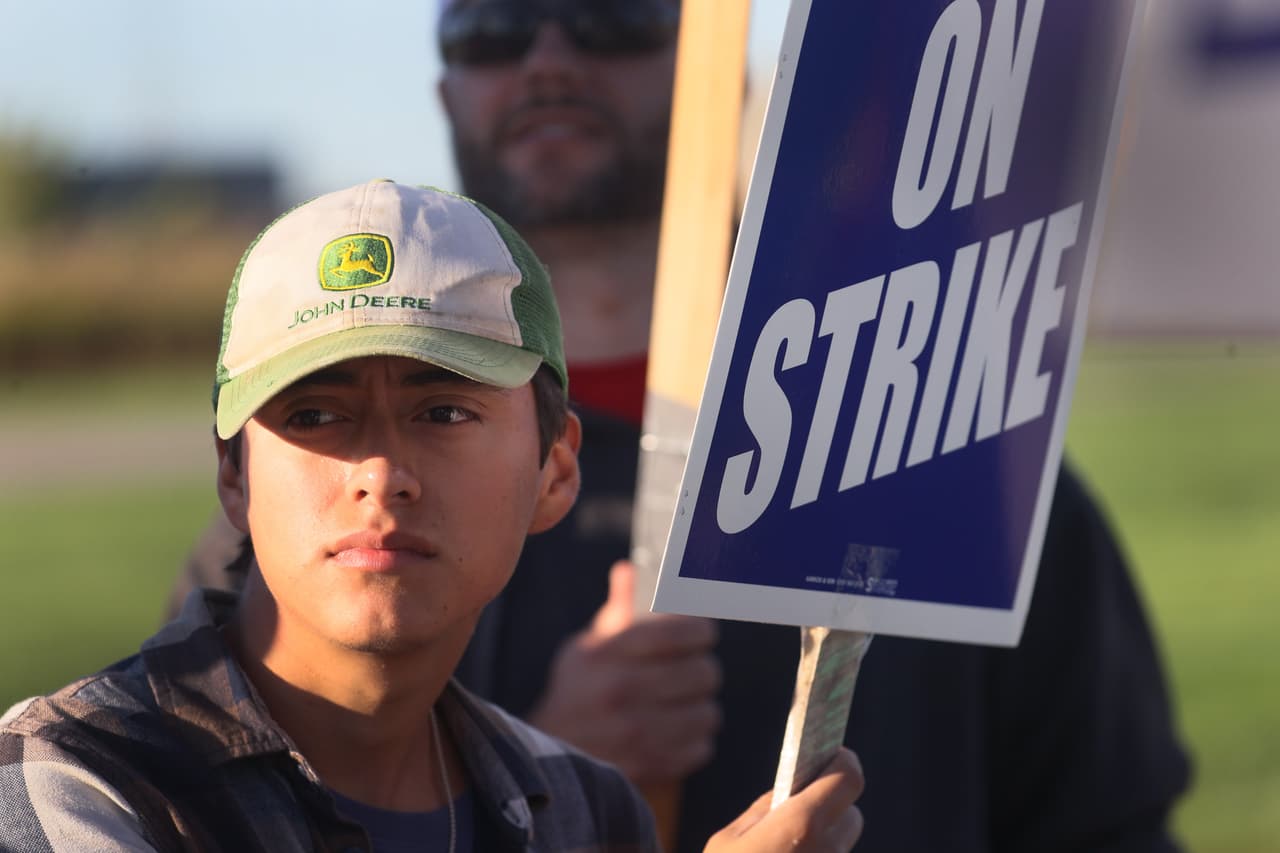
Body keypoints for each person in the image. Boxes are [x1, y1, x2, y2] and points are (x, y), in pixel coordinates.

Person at [172, 1, 1193, 850]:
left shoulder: (925, 438)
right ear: (446, 89)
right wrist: (526, 780)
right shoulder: (307, 496)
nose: (549, 58)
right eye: (491, 28)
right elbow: (199, 806)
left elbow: (1107, 823)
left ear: (715, 70)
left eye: (610, 18)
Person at [0, 180, 867, 852]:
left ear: (555, 468)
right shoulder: (72, 781)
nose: (381, 475)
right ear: (234, 474)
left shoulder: (586, 809)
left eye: (444, 411)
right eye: (314, 414)